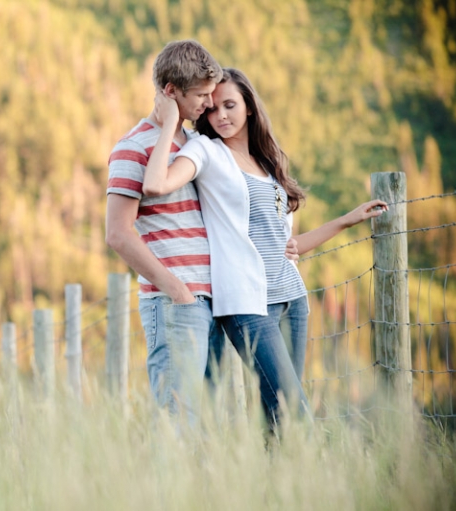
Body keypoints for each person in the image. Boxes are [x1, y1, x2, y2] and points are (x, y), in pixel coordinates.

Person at [143, 67, 387, 425]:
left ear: (250, 107)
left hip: (293, 301)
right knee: (295, 411)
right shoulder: (206, 152)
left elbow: (288, 246)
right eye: (211, 108)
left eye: (230, 105)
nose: (220, 115)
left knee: (279, 417)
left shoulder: (269, 164)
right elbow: (155, 184)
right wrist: (168, 124)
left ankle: (274, 478)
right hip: (249, 308)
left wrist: (345, 220)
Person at [105, 40, 224, 423]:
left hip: (211, 301)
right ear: (170, 93)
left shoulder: (195, 144)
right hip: (175, 302)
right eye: (201, 95)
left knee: (207, 425)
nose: (209, 103)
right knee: (178, 422)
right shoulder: (132, 147)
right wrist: (177, 290)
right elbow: (119, 234)